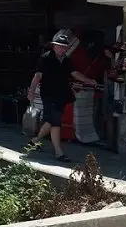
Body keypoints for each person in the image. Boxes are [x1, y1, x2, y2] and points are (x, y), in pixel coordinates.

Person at [26, 33, 98, 162]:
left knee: (51, 120)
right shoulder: (45, 58)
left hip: (62, 94)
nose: (62, 49)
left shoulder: (66, 60)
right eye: (60, 46)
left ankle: (34, 141)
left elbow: (74, 73)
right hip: (48, 94)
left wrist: (88, 80)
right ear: (54, 46)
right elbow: (37, 76)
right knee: (56, 121)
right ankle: (58, 152)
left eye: (65, 47)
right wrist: (31, 91)